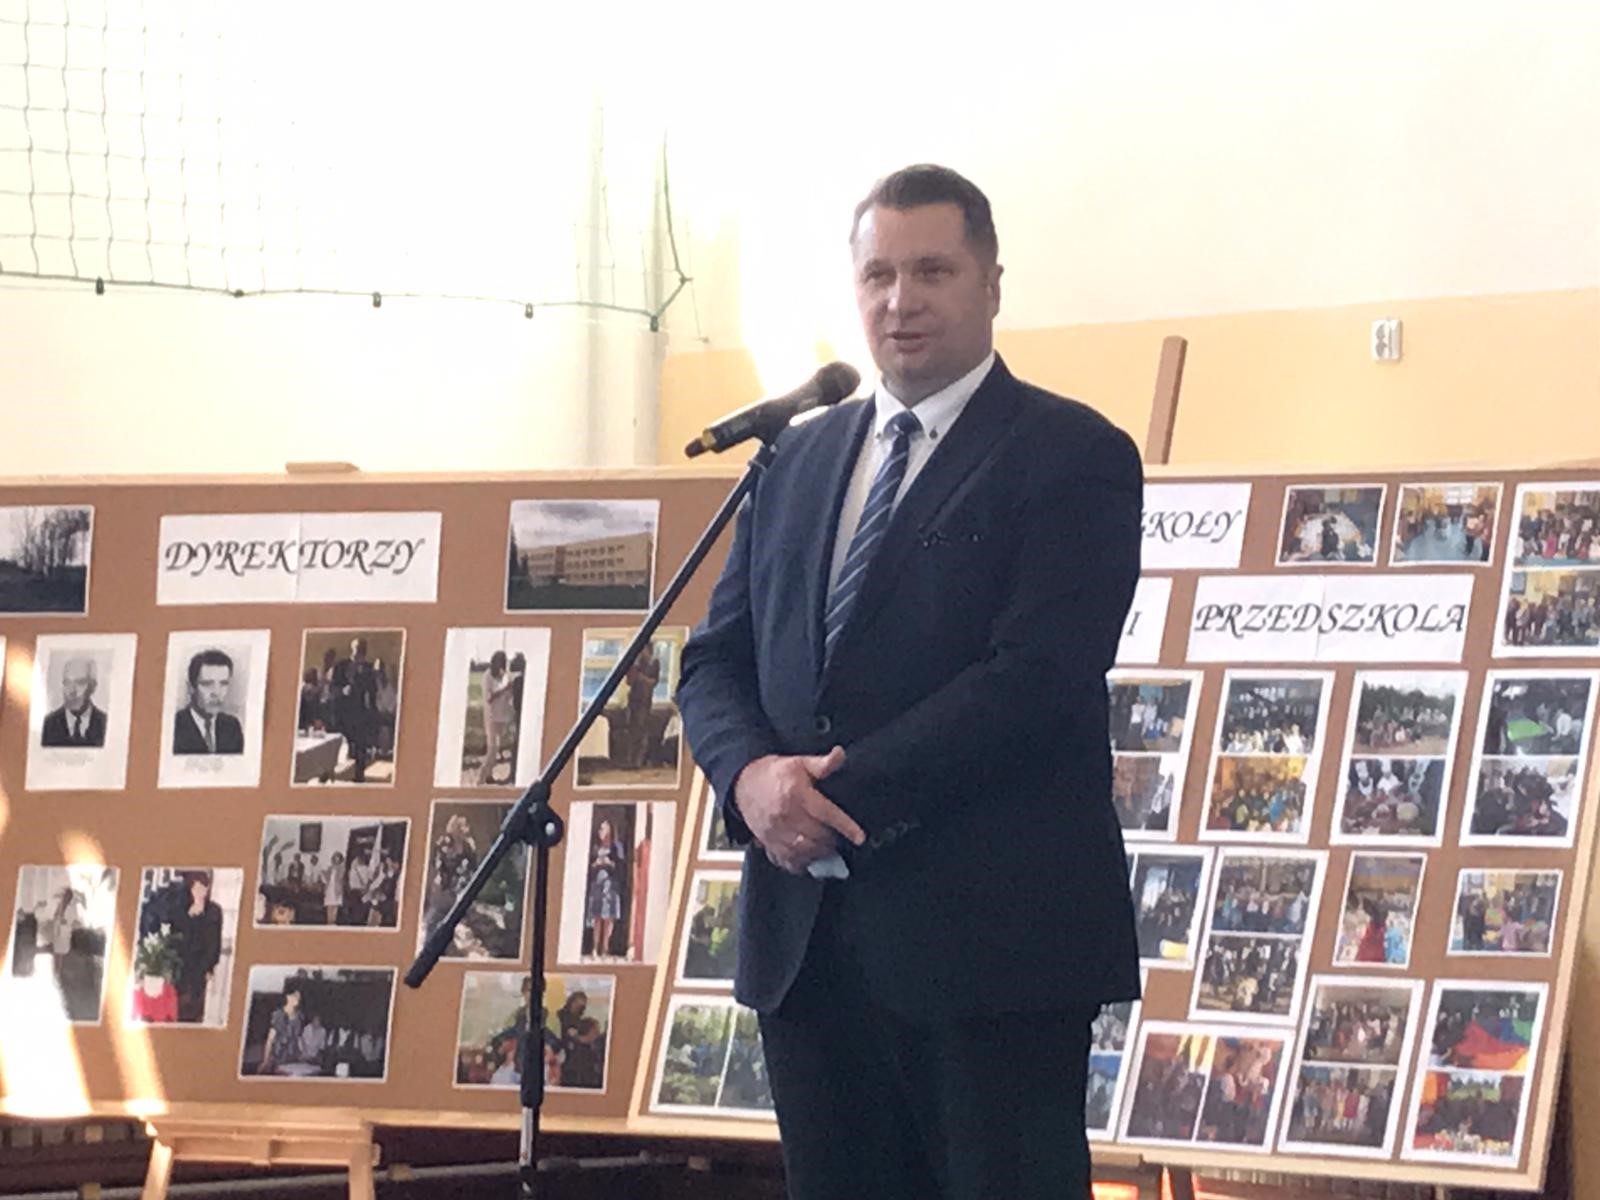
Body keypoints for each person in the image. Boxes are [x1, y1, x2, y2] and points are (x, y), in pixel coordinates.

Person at [677, 164, 1143, 1200]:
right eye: (878, 275)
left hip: (991, 949)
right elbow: (714, 658)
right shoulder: (794, 460)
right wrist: (751, 779)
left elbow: (1036, 678)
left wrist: (825, 799)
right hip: (808, 953)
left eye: (932, 271)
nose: (901, 300)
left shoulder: (1071, 454)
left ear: (990, 284)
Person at [171, 870, 223, 1022]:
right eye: (196, 888)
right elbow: (178, 938)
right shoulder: (182, 909)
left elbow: (215, 941)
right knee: (180, 1004)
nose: (200, 892)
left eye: (203, 888)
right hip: (183, 965)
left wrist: (210, 967)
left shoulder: (214, 911)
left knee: (197, 1005)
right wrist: (191, 917)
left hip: (202, 964)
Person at [171, 649, 245, 755]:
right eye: (207, 684)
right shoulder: (174, 726)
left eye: (223, 683)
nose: (216, 692)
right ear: (191, 688)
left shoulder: (232, 726)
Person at [41, 657, 108, 747]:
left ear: (93, 687)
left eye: (80, 683)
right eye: (67, 682)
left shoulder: (106, 725)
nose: (72, 691)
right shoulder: (47, 725)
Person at [477, 650, 519, 784]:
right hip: (492, 717)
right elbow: (489, 698)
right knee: (492, 749)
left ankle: (489, 775)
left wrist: (511, 689)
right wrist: (505, 689)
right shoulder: (487, 676)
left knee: (498, 748)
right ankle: (481, 778)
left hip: (503, 716)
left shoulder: (504, 675)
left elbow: (509, 695)